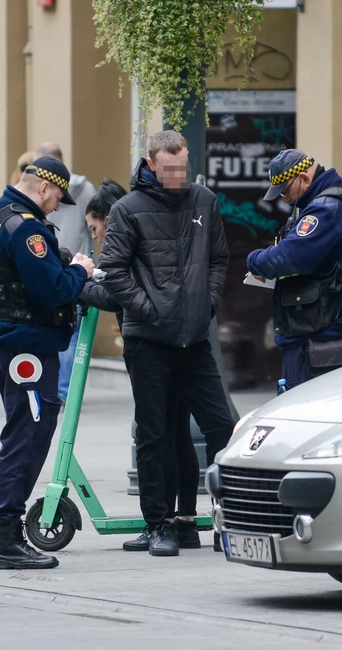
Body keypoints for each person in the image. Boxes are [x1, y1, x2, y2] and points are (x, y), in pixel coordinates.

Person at [98, 130, 234, 557]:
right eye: (170, 168)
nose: (179, 175)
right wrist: (150, 308)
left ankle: (227, 519)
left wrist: (206, 304)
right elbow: (112, 269)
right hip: (149, 340)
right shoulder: (127, 209)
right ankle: (158, 525)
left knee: (222, 427)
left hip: (193, 338)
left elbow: (218, 258)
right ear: (152, 165)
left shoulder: (204, 201)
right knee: (154, 433)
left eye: (184, 166)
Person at [0, 156, 95, 569]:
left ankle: (0, 539)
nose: (55, 207)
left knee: (23, 431)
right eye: (57, 198)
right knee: (27, 435)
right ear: (45, 187)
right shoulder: (26, 228)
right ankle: (6, 538)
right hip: (26, 345)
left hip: (7, 340)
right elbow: (52, 291)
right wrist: (80, 270)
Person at [82, 178, 201, 552]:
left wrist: (76, 281)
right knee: (178, 432)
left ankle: (161, 524)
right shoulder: (150, 224)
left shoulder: (127, 235)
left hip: (153, 345)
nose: (97, 237)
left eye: (94, 228)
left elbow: (117, 294)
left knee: (157, 434)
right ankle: (185, 522)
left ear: (106, 217)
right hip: (182, 339)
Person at [247, 149, 342, 391]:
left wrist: (255, 260)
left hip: (318, 335)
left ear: (304, 179)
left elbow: (291, 256)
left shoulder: (325, 210)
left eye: (285, 191)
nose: (284, 200)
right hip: (331, 328)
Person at [34, 142, 97, 403]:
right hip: (78, 267)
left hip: (52, 268)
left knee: (59, 332)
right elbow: (92, 229)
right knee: (72, 335)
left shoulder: (38, 192)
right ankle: (63, 391)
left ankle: (55, 390)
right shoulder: (87, 190)